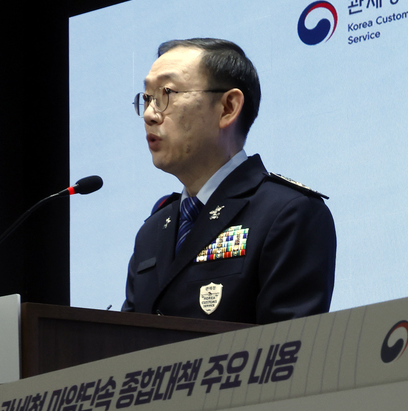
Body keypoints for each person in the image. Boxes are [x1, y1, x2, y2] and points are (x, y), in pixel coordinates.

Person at [123, 38, 335, 323]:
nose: (149, 114)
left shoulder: (288, 213)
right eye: (148, 98)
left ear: (228, 107)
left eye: (167, 93)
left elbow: (289, 344)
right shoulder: (152, 230)